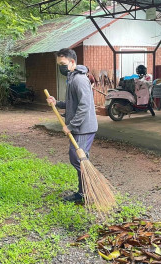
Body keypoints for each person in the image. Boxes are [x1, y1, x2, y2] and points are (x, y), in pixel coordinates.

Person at [46, 48, 98, 203]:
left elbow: (84, 106)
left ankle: (88, 192)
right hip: (79, 127)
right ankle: (84, 192)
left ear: (72, 62)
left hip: (84, 127)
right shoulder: (72, 78)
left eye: (63, 64)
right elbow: (72, 103)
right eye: (59, 64)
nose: (61, 67)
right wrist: (58, 103)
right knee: (79, 159)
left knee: (78, 159)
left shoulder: (79, 80)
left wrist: (71, 125)